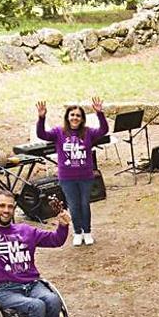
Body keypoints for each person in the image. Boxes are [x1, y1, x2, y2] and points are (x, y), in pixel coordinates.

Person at [36, 97, 108, 247]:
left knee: (84, 204)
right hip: (67, 178)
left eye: (78, 115)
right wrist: (41, 117)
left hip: (85, 176)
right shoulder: (58, 132)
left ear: (82, 119)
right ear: (68, 117)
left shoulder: (88, 132)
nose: (75, 118)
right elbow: (42, 134)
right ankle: (77, 232)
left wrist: (100, 114)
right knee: (73, 205)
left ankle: (87, 232)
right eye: (72, 115)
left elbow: (104, 130)